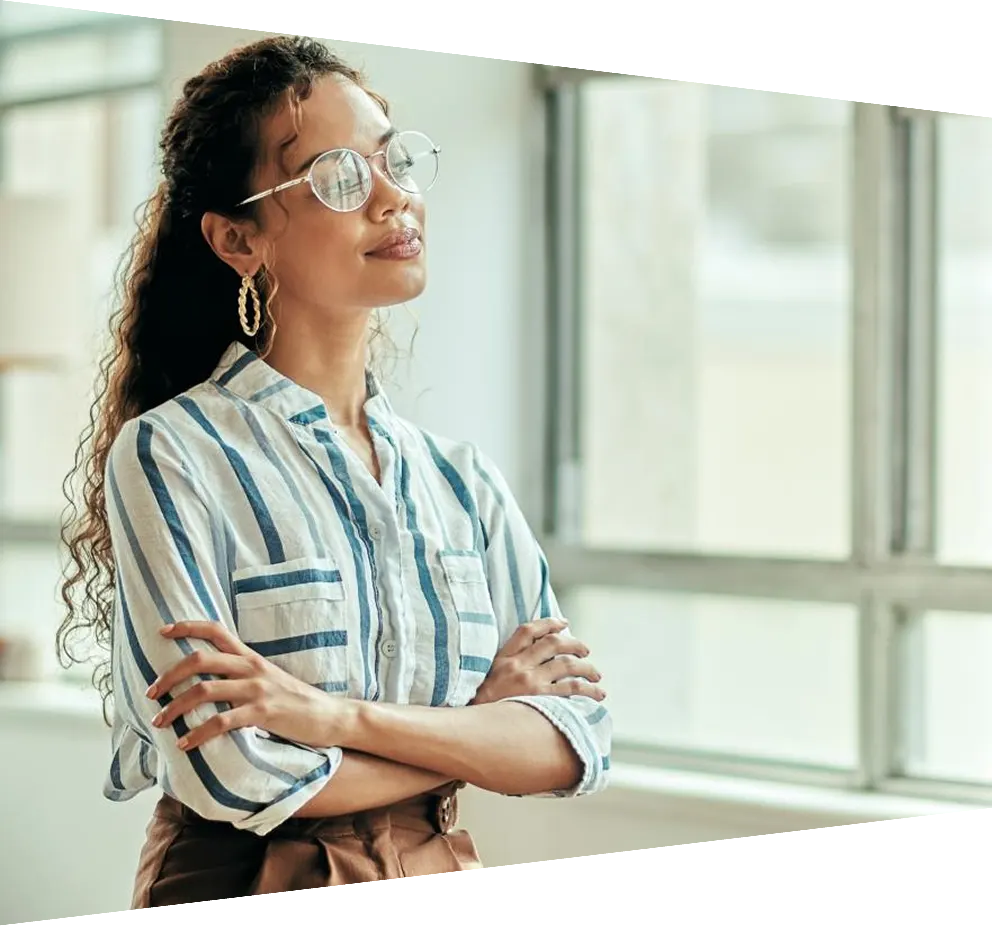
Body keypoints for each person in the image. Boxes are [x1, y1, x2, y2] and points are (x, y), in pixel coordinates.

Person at [57, 34, 612, 912]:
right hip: (247, 887)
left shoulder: (461, 483)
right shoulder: (176, 455)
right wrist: (475, 729)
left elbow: (572, 746)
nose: (394, 197)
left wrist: (325, 717)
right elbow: (233, 774)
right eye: (339, 178)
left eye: (395, 161)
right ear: (239, 239)